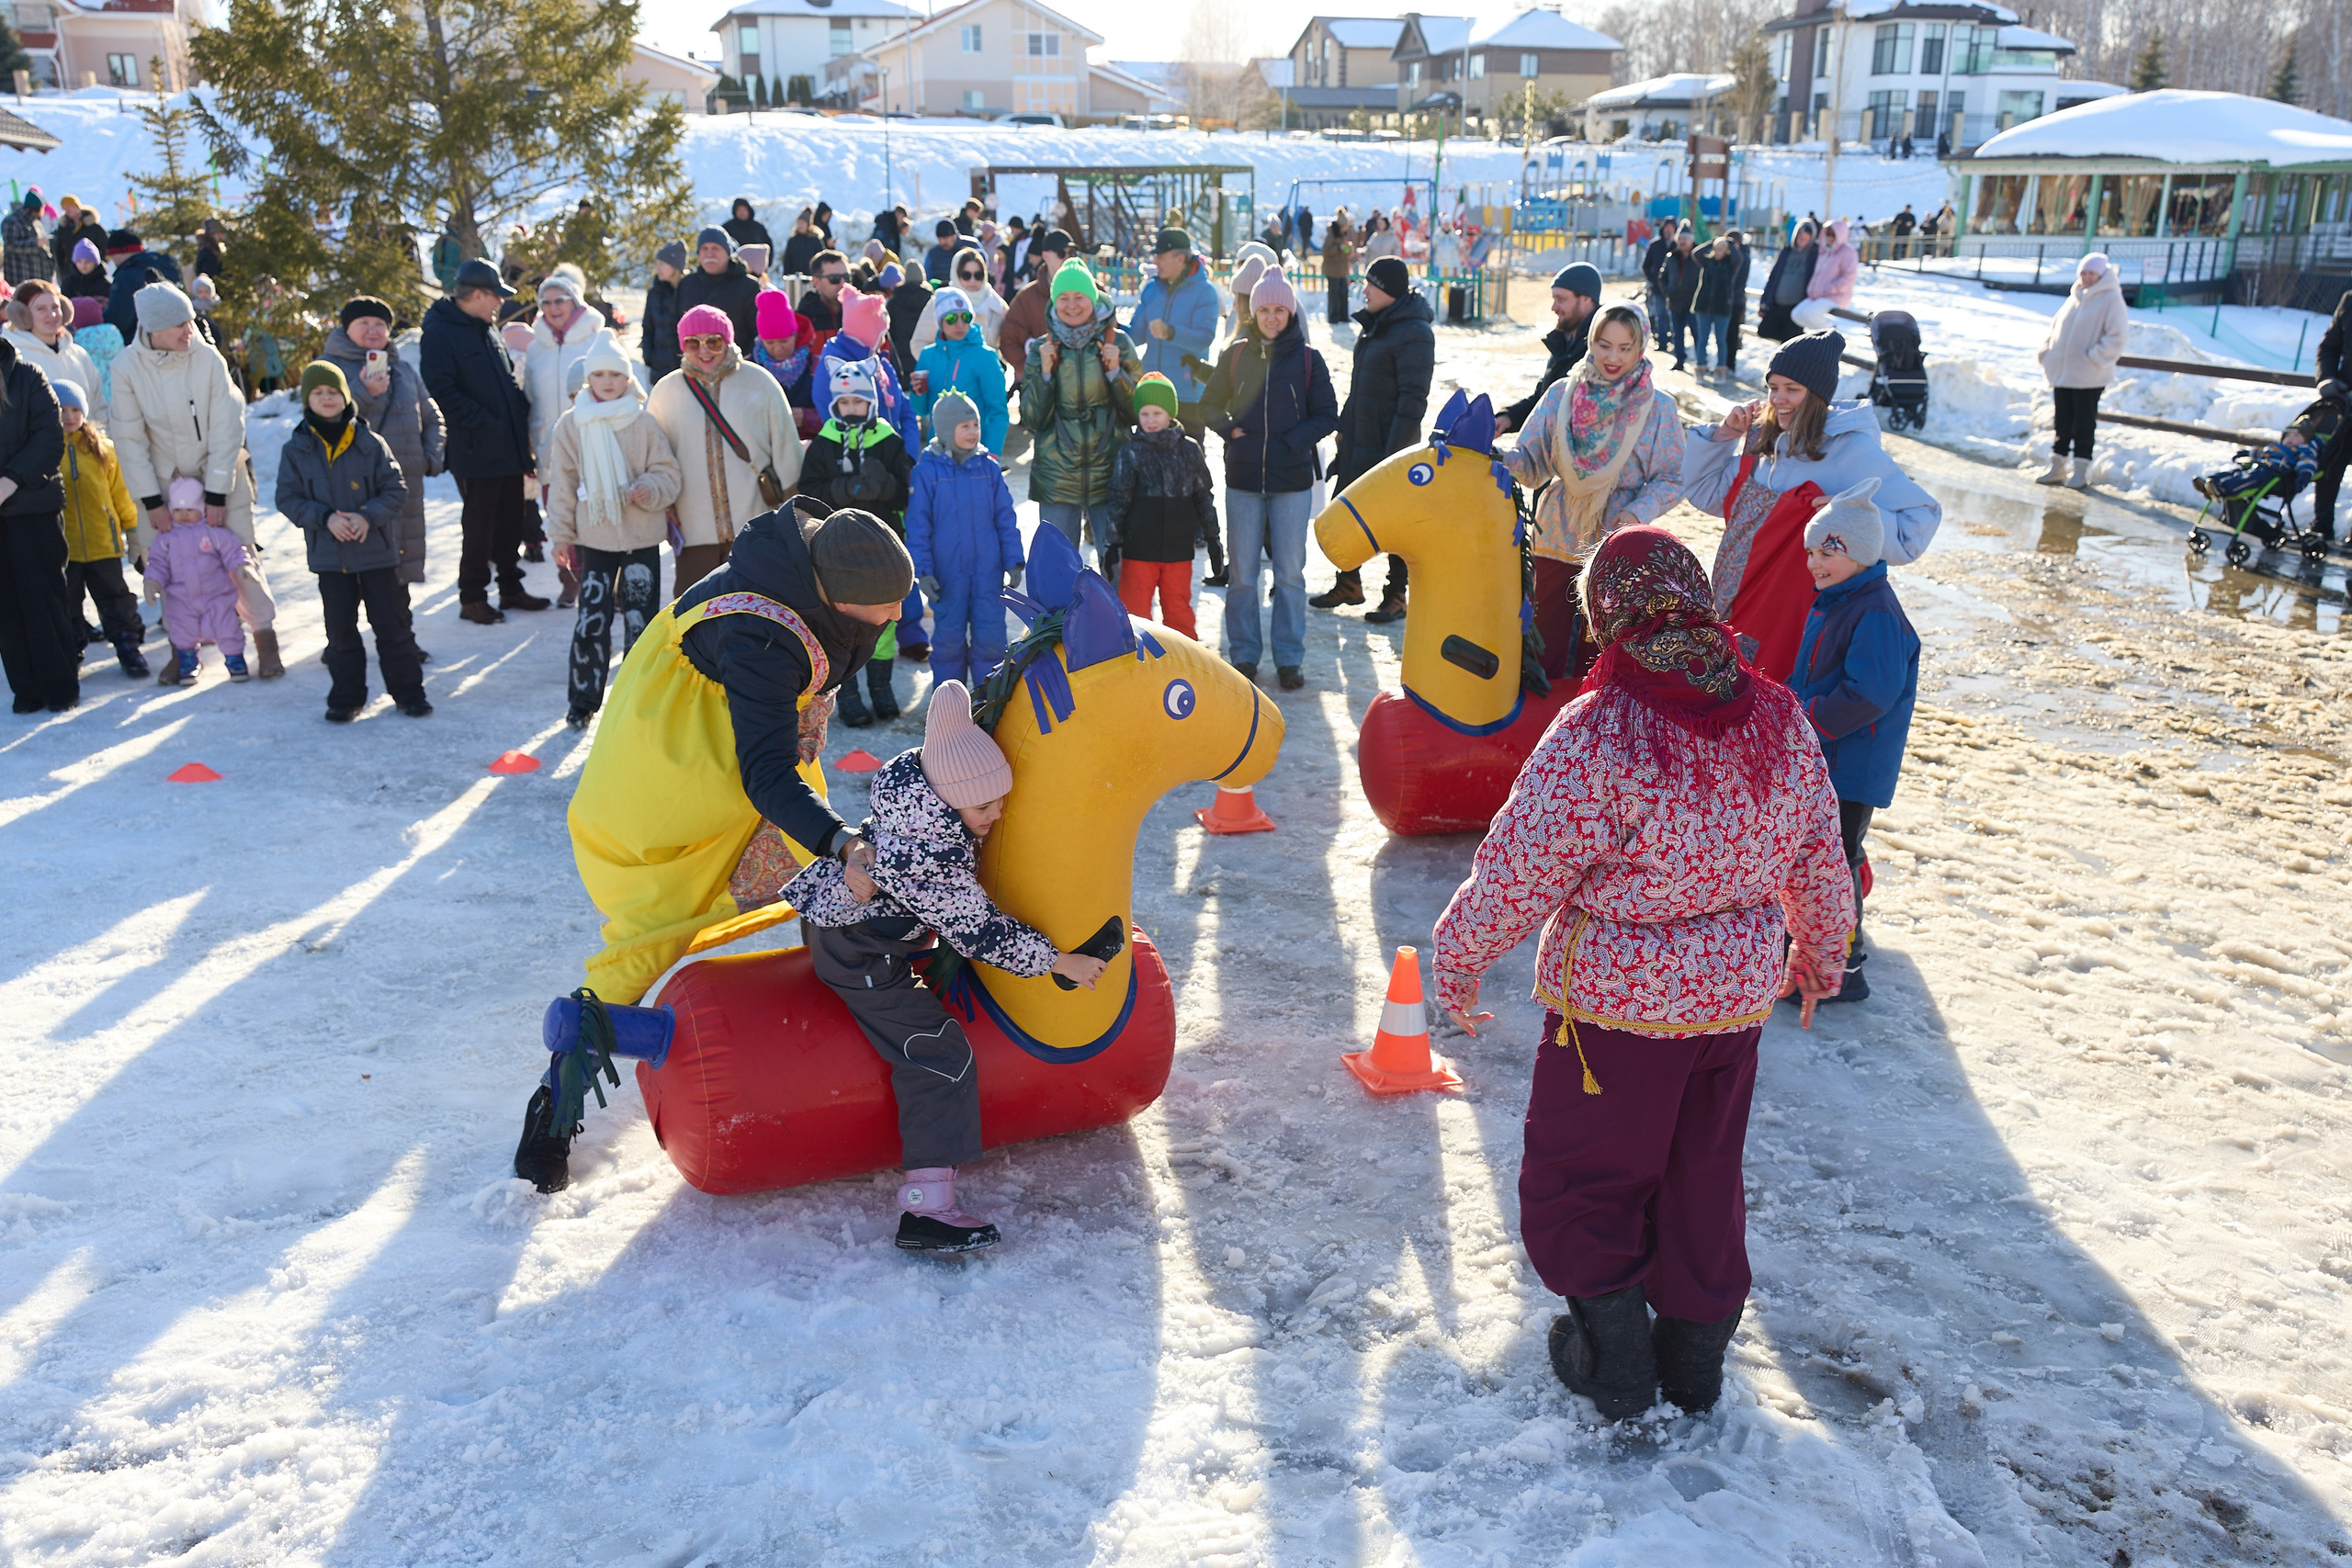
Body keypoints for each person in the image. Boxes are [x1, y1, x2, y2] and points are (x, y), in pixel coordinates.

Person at [1431, 525, 1853, 1423]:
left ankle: (1616, 1363)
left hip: (1616, 1013)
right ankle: (1693, 1368)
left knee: (1586, 1176)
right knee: (1702, 1175)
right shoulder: (1776, 713)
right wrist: (1818, 955)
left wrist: (1459, 957)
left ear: (1606, 617)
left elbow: (1519, 868)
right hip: (1732, 1005)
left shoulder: (1602, 731)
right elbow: (1820, 854)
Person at [513, 506, 912, 1192]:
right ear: (836, 597)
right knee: (655, 929)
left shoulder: (821, 569)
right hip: (678, 780)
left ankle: (876, 990)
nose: (892, 624)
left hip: (742, 757)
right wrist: (839, 839)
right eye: (881, 613)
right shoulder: (761, 638)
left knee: (832, 873)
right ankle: (554, 1105)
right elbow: (767, 776)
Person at [783, 679, 1109, 1252]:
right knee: (939, 1053)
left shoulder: (923, 801)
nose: (997, 813)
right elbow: (980, 930)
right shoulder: (929, 855)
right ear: (953, 798)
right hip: (858, 949)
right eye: (986, 806)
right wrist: (1060, 961)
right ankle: (927, 1209)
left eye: (1001, 801)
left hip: (867, 924)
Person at [1681, 331, 1940, 682]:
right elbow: (1706, 492)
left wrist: (1850, 512)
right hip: (1734, 605)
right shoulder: (1766, 440)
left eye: (1792, 389)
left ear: (1816, 393)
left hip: (1793, 617)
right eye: (1773, 387)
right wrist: (1723, 436)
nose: (1778, 398)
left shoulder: (1848, 451)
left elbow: (1917, 524)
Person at [1502, 302, 1687, 684]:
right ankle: (1536, 734)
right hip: (1555, 534)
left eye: (1625, 347)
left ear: (1642, 348)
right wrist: (1504, 458)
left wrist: (1636, 513)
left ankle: (1593, 737)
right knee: (1540, 644)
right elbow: (1532, 463)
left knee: (1601, 653)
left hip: (1617, 546)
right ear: (1591, 342)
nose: (1613, 357)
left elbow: (1672, 478)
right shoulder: (1561, 396)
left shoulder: (1658, 408)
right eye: (1604, 345)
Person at [111, 281, 284, 675]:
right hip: (161, 483)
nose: (189, 329)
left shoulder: (208, 359)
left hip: (220, 471)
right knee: (171, 566)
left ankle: (264, 637)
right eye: (179, 324)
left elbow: (228, 425)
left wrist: (218, 492)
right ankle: (181, 647)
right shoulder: (126, 368)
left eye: (190, 319)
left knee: (240, 556)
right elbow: (128, 437)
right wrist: (151, 500)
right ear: (154, 330)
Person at [1791, 477, 1917, 1005]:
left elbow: (1871, 693)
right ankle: (1816, 959)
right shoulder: (1841, 598)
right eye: (1811, 551)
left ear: (1862, 554)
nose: (1814, 562)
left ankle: (1841, 970)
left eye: (1828, 552)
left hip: (1850, 765)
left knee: (1835, 864)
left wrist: (1808, 717)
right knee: (1817, 861)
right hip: (1828, 758)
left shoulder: (1875, 612)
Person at [1197, 271, 1336, 691]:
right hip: (1242, 480)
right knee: (1241, 575)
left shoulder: (1309, 358)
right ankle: (1244, 654)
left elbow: (1328, 415)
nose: (1272, 318)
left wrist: (1293, 441)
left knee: (1290, 574)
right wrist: (1230, 431)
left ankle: (1290, 659)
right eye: (1264, 310)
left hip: (1291, 481)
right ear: (1252, 312)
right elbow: (1208, 405)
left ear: (1290, 312)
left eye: (1279, 310)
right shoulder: (1236, 354)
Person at [276, 360, 429, 720]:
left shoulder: (370, 442)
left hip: (376, 554)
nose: (327, 399)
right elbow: (288, 498)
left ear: (345, 397)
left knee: (393, 628)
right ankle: (346, 697)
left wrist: (366, 516)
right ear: (307, 400)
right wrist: (325, 518)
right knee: (340, 632)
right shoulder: (296, 448)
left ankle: (409, 693)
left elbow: (395, 489)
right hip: (330, 558)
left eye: (333, 392)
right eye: (318, 393)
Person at [547, 332, 684, 728]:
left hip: (641, 538)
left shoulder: (644, 423)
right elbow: (563, 485)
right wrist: (560, 534)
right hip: (596, 539)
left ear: (628, 379)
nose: (608, 382)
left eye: (616, 374)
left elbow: (669, 474)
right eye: (600, 375)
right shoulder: (571, 426)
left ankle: (636, 702)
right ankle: (583, 700)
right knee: (592, 619)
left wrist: (650, 488)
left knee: (641, 622)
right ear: (589, 379)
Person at [647, 302, 802, 600]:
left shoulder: (760, 383)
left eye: (714, 342)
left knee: (757, 608)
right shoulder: (666, 392)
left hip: (755, 524)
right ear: (683, 346)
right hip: (694, 528)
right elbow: (655, 457)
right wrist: (664, 506)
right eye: (693, 343)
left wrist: (789, 512)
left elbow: (786, 447)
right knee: (695, 614)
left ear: (728, 341)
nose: (704, 351)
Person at [422, 259, 546, 625]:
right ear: (476, 294)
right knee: (479, 526)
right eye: (495, 296)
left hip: (507, 444)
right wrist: (485, 422)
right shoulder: (440, 332)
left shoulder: (487, 329)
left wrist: (518, 411)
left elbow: (505, 380)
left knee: (511, 519)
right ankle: (472, 596)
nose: (499, 304)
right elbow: (442, 390)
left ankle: (511, 587)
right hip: (475, 449)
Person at [1316, 254, 1433, 622]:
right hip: (1358, 440)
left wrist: (1394, 455)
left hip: (1387, 446)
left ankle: (1396, 595)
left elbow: (1413, 399)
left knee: (1395, 522)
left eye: (1372, 283)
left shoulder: (1414, 332)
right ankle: (1349, 582)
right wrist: (1343, 430)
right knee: (1346, 511)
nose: (1363, 289)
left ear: (1389, 290)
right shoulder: (1378, 325)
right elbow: (1360, 388)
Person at [802, 356, 914, 726]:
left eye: (858, 402)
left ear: (871, 402)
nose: (851, 409)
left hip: (884, 544)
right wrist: (842, 488)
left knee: (884, 618)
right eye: (844, 403)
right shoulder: (825, 444)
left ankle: (881, 687)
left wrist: (887, 486)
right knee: (844, 621)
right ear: (835, 405)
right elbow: (808, 491)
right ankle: (847, 692)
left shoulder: (888, 440)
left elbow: (907, 492)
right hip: (838, 552)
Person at [1021, 259, 1140, 566]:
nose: (1072, 305)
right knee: (1058, 572)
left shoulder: (1119, 342)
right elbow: (1032, 419)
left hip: (1111, 472)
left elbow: (1139, 413)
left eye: (1080, 297)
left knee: (1117, 570)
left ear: (1094, 299)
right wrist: (1045, 375)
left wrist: (1116, 375)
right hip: (1057, 476)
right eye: (1064, 298)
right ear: (1053, 303)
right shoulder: (1041, 349)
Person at [322, 296, 445, 592]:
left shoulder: (403, 370)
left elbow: (432, 417)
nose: (373, 330)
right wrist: (363, 391)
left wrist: (429, 457)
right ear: (347, 328)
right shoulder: (328, 370)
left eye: (380, 324)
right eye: (363, 323)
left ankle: (399, 633)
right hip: (354, 488)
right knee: (358, 575)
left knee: (400, 569)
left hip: (404, 487)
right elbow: (324, 427)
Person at [905, 388, 1020, 688]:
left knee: (991, 638)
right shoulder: (927, 471)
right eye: (964, 426)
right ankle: (950, 701)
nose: (973, 432)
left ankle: (989, 701)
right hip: (947, 574)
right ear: (945, 430)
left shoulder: (989, 468)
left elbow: (1005, 518)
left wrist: (1014, 561)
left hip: (987, 572)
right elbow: (918, 526)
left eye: (975, 425)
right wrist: (924, 572)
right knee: (948, 640)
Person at [1106, 372, 1215, 639]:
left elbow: (1203, 495)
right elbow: (1119, 499)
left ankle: (1185, 668)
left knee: (1179, 613)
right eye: (1144, 414)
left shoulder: (1189, 450)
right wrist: (1112, 543)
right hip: (1139, 551)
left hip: (1178, 550)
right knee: (1134, 615)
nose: (1150, 420)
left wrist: (1213, 537)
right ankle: (1136, 670)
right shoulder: (1131, 452)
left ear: (1170, 414)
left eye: (1157, 413)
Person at [53, 379, 147, 678]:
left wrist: (132, 531)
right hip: (64, 547)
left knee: (115, 598)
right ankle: (72, 650)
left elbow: (121, 494)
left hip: (103, 542)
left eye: (74, 409)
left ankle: (127, 646)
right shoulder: (46, 449)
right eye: (61, 410)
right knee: (67, 603)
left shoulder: (102, 448)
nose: (69, 416)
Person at [0, 333, 74, 711]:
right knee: (6, 609)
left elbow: (49, 439)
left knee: (43, 599)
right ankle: (25, 691)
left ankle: (60, 687)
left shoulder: (27, 376)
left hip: (32, 508)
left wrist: (10, 480)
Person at [147, 473, 254, 687]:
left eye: (190, 510)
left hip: (216, 594)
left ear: (201, 508)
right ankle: (188, 662)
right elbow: (157, 564)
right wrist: (151, 582)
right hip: (181, 597)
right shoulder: (166, 538)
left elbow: (233, 550)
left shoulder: (213, 533)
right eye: (178, 510)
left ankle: (235, 659)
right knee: (182, 630)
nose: (184, 515)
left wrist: (242, 565)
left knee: (227, 627)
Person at [2036, 253, 2128, 489]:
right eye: (2083, 273)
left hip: (2089, 375)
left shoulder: (2111, 299)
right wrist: (2047, 352)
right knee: (2062, 421)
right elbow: (2055, 327)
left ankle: (2080, 471)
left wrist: (2094, 358)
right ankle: (2057, 466)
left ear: (2102, 275)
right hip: (2063, 373)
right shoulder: (2074, 296)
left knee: (2084, 424)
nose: (2087, 278)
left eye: (2092, 273)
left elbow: (2117, 337)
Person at [1133, 227, 1220, 437]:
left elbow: (1204, 338)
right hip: (1152, 392)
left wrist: (1171, 332)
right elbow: (1135, 335)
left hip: (1187, 397)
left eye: (1161, 256)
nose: (1156, 262)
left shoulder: (1205, 292)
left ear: (1180, 258)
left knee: (1188, 464)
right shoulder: (1151, 289)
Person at [1497, 264, 1600, 436]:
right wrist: (1508, 417)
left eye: (1561, 299)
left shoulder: (1600, 347)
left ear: (1586, 299)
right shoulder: (1564, 339)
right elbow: (1543, 398)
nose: (1554, 307)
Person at [911, 287, 1009, 454]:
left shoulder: (985, 356)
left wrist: (992, 455)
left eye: (966, 317)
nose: (960, 324)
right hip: (938, 453)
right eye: (951, 318)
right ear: (940, 321)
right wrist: (918, 392)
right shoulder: (928, 356)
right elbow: (921, 411)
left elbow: (998, 412)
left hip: (975, 454)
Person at [813, 285, 917, 436]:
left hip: (894, 455)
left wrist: (907, 453)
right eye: (881, 333)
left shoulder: (881, 365)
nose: (883, 340)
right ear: (867, 333)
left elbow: (906, 410)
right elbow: (834, 421)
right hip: (859, 453)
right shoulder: (834, 370)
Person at [4, 278, 105, 419]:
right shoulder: (13, 360)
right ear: (22, 315)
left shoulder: (78, 354)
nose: (52, 315)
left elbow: (100, 405)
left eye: (55, 307)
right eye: (41, 309)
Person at [997, 227, 1073, 383]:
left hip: (1087, 392)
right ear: (1045, 256)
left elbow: (1111, 335)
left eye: (1071, 253)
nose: (1068, 258)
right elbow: (1008, 340)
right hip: (1044, 391)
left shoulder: (1095, 291)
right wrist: (1032, 371)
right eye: (1061, 253)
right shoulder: (1027, 297)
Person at [910, 246, 1009, 355]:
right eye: (966, 275)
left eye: (978, 275)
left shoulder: (997, 305)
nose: (973, 280)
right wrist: (942, 366)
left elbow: (1010, 343)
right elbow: (919, 343)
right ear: (956, 274)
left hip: (987, 370)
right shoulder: (940, 302)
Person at [676, 225, 762, 351]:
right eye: (704, 248)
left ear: (728, 253)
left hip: (735, 365)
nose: (710, 254)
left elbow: (757, 333)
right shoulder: (686, 284)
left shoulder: (748, 287)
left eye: (715, 248)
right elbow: (673, 327)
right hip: (692, 364)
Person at [2309, 292, 2351, 544]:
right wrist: (2326, 378)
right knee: (2329, 465)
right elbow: (2329, 347)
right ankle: (2321, 528)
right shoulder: (2349, 300)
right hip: (2343, 404)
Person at [750, 289, 820, 434]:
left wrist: (808, 417)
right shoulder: (750, 369)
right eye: (770, 343)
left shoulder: (816, 366)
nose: (778, 348)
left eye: (784, 341)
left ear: (795, 334)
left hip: (812, 450)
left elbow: (837, 413)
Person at [102, 230, 183, 346]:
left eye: (112, 255)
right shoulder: (166, 267)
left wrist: (101, 311)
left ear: (121, 251)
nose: (113, 260)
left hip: (142, 346)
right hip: (176, 339)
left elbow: (119, 320)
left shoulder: (126, 276)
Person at [1792, 218, 1858, 334]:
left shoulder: (1848, 252)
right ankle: (1817, 336)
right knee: (1796, 314)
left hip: (1836, 296)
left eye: (1834, 234)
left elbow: (1849, 277)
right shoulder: (1824, 251)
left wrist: (1829, 289)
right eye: (1828, 234)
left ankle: (1832, 333)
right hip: (1817, 295)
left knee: (1810, 313)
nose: (1831, 237)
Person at [1758, 221, 1815, 343]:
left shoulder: (1814, 254)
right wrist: (1765, 300)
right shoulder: (1787, 251)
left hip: (1795, 308)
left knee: (1790, 344)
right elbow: (1774, 277)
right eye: (1800, 233)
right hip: (1777, 305)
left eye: (1806, 234)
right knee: (1764, 330)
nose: (1802, 237)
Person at [1690, 237, 1741, 373]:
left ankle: (1720, 369)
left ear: (1726, 251)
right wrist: (1712, 241)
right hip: (1703, 306)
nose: (1718, 252)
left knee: (1721, 340)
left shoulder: (1730, 264)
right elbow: (1696, 253)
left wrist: (1730, 243)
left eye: (1721, 250)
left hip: (1722, 308)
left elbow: (1738, 258)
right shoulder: (1707, 262)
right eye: (1716, 249)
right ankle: (1701, 366)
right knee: (1702, 339)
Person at [642, 241, 686, 383]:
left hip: (682, 366)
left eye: (662, 264)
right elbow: (648, 327)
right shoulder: (654, 292)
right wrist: (648, 356)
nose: (657, 268)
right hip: (656, 366)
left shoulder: (688, 291)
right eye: (657, 263)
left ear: (674, 266)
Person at [1661, 231, 1702, 371]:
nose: (1682, 242)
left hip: (1692, 303)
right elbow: (1662, 276)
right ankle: (1679, 360)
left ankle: (1701, 362)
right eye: (1680, 239)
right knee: (1677, 334)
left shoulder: (1698, 257)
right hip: (1675, 302)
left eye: (1685, 239)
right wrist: (1668, 290)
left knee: (1697, 333)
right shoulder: (1672, 256)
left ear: (1691, 240)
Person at [1641, 216, 1679, 353]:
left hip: (1676, 289)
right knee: (1660, 314)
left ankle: (1676, 343)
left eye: (1672, 229)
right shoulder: (1655, 245)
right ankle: (1662, 342)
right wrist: (1653, 280)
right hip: (1658, 288)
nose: (1669, 232)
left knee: (1675, 316)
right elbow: (1646, 266)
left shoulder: (1678, 246)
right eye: (1667, 229)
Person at [798, 248, 850, 341]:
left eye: (847, 277)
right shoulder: (803, 320)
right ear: (816, 282)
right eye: (835, 278)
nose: (843, 283)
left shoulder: (860, 312)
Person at [3, 191, 51, 286]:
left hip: (39, 278)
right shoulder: (12, 221)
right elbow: (10, 245)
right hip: (20, 278)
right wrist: (35, 243)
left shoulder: (36, 223)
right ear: (39, 208)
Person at [1320, 208, 1356, 325]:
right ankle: (1333, 317)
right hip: (1332, 269)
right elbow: (1325, 251)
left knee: (1343, 293)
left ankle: (1343, 316)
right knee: (1334, 295)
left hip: (1342, 269)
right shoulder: (1331, 235)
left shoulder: (1342, 235)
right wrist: (1338, 248)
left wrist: (1347, 249)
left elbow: (1344, 250)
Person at [61, 238, 109, 306]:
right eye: (79, 261)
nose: (83, 265)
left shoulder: (104, 284)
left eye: (87, 262)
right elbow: (64, 306)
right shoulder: (68, 282)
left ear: (95, 263)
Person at [780, 208, 825, 276]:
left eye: (803, 223)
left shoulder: (815, 240)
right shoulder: (792, 241)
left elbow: (821, 259)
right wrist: (787, 276)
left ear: (808, 224)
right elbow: (787, 261)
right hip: (795, 278)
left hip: (812, 278)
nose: (800, 225)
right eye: (799, 222)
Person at [923, 219, 962, 285]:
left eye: (946, 238)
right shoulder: (932, 254)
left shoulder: (963, 251)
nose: (943, 242)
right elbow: (927, 278)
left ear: (955, 236)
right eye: (940, 239)